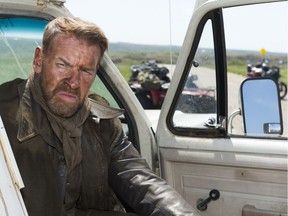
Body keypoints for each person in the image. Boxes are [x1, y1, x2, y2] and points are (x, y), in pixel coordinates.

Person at [0, 17, 200, 216]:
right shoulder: (4, 117)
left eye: (86, 70)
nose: (74, 82)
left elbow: (139, 179)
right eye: (63, 65)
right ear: (38, 60)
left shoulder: (100, 121)